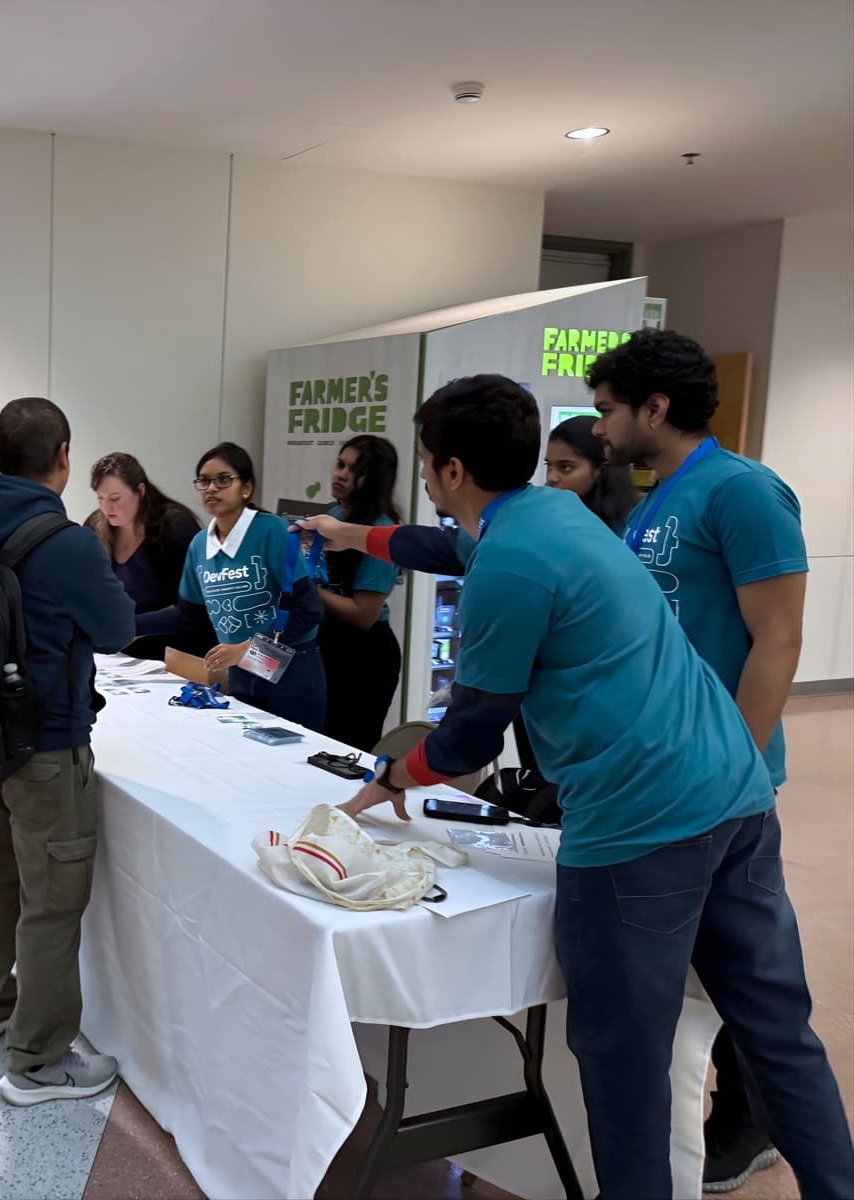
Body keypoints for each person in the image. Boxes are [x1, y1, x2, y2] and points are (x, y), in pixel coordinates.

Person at [297, 374, 851, 1200]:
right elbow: (445, 546)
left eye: (426, 464)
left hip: (640, 828)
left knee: (623, 1058)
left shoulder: (509, 568)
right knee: (776, 1031)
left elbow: (470, 737)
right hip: (734, 795)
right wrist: (353, 534)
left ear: (450, 470)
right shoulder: (554, 515)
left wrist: (386, 779)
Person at [588, 328, 811, 1193]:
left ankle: (751, 1120)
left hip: (717, 786)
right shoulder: (655, 500)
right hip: (658, 781)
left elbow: (779, 639)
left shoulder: (744, 492)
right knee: (685, 974)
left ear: (656, 408)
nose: (600, 429)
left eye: (609, 410)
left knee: (740, 976)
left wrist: (733, 769)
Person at [0, 397, 136, 1107]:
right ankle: (38, 1062)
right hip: (50, 740)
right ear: (63, 454)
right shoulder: (67, 542)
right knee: (54, 904)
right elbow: (117, 627)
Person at [138, 443, 326, 732]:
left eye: (223, 479)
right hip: (242, 673)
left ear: (246, 488)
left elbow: (308, 609)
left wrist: (248, 649)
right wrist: (129, 625)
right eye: (204, 480)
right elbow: (187, 615)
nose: (211, 488)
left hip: (291, 671)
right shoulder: (201, 544)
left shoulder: (272, 531)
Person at [314, 435, 403, 751]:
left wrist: (308, 590)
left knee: (348, 748)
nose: (342, 475)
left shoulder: (380, 532)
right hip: (326, 645)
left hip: (365, 657)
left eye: (356, 470)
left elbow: (363, 614)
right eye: (340, 464)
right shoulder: (331, 516)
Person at [85, 451, 210, 660]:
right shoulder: (95, 527)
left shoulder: (175, 527)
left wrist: (129, 626)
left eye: (115, 498)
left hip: (174, 655)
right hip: (119, 657)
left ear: (140, 491)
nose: (107, 508)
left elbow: (195, 609)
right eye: (100, 499)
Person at [544, 414, 637, 531]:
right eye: (549, 466)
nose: (551, 477)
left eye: (566, 467)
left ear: (600, 470)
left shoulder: (628, 530)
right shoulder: (546, 517)